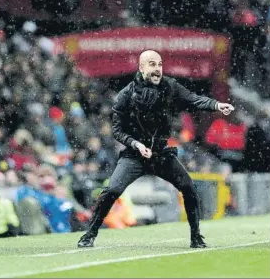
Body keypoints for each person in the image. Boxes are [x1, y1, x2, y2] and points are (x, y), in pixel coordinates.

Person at [77, 50, 234, 249]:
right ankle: (89, 234)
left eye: (159, 64)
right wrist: (136, 144)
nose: (157, 69)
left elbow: (193, 99)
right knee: (112, 190)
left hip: (160, 154)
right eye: (152, 64)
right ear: (141, 67)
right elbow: (117, 131)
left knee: (189, 188)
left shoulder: (169, 86)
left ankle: (196, 236)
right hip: (134, 155)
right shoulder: (125, 95)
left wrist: (216, 105)